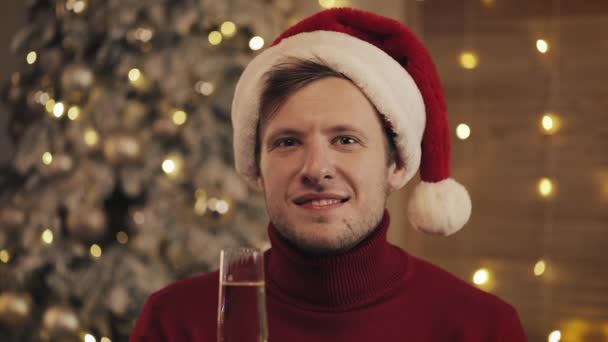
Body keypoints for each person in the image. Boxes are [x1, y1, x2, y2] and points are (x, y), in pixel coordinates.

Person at [130, 8, 527, 341]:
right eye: (287, 142)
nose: (316, 169)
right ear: (257, 169)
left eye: (346, 140)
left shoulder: (482, 329)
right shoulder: (175, 322)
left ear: (396, 165)